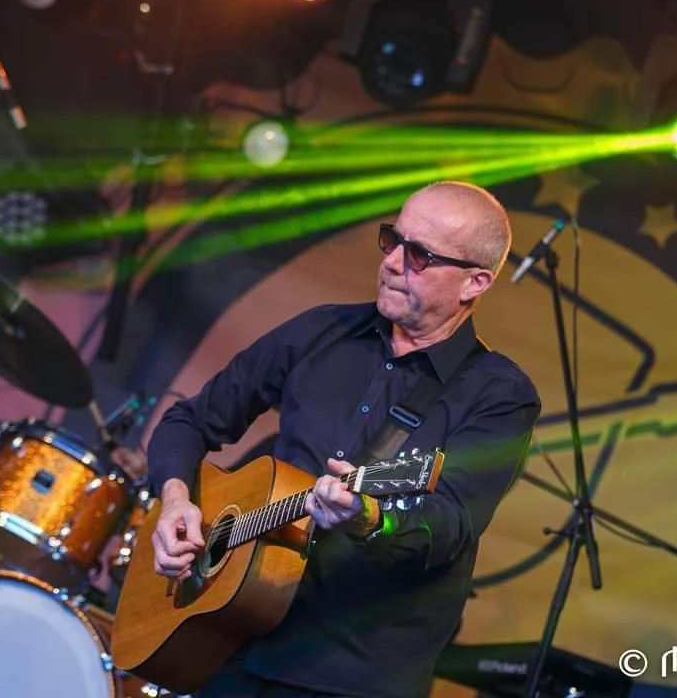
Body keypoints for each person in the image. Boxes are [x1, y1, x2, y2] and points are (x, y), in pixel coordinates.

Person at [145, 181, 542, 698]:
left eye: (420, 255)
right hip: (231, 638)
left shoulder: (500, 395)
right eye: (393, 240)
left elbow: (448, 524)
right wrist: (176, 499)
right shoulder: (319, 332)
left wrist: (370, 518)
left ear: (475, 283)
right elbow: (190, 421)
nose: (394, 262)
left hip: (348, 672)